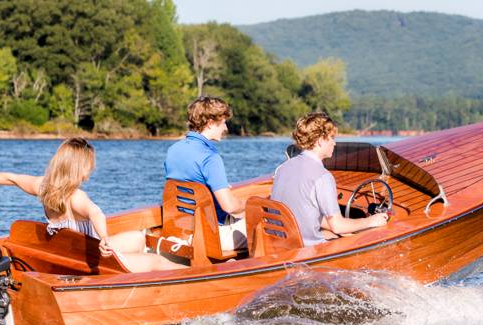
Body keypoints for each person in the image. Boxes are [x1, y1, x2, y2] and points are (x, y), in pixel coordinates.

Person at [0, 137, 182, 272]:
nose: (92, 169)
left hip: (73, 254)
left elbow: (12, 178)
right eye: (89, 165)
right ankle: (195, 276)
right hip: (93, 260)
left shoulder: (43, 186)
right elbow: (96, 213)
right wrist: (105, 238)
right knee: (156, 261)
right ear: (79, 167)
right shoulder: (76, 197)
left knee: (138, 237)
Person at [271, 112, 388, 246]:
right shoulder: (323, 177)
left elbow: (304, 211)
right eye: (331, 138)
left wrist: (347, 229)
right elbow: (338, 226)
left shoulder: (283, 168)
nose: (334, 143)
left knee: (335, 234)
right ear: (320, 140)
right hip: (305, 250)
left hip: (281, 243)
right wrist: (371, 221)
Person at [164, 96, 247, 251]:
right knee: (266, 227)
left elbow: (189, 184)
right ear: (209, 123)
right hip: (210, 235)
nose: (226, 128)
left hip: (181, 229)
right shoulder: (210, 157)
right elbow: (229, 206)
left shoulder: (173, 150)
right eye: (223, 123)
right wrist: (249, 205)